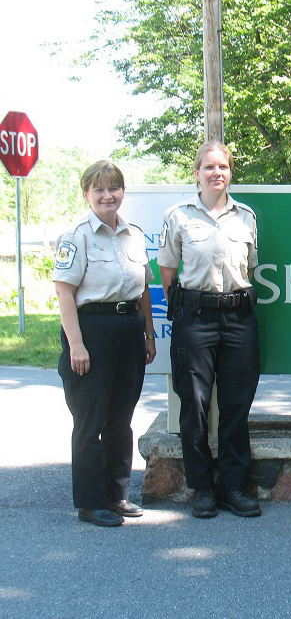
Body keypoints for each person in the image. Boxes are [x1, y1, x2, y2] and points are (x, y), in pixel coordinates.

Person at [158, 141, 262, 518]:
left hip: (238, 318)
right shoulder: (179, 216)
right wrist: (187, 307)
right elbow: (168, 270)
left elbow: (248, 267)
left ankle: (234, 487)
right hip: (195, 318)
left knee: (236, 405)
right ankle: (202, 488)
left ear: (230, 172)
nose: (217, 173)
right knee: (195, 405)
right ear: (197, 172)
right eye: (209, 167)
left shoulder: (246, 217)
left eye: (223, 167)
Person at [53, 161, 156, 527]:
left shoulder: (134, 235)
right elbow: (65, 294)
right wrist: (76, 344)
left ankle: (116, 494)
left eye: (113, 188)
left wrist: (148, 333)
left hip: (129, 327)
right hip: (91, 330)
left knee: (120, 419)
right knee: (89, 419)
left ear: (122, 192)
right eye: (98, 189)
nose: (107, 195)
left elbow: (143, 287)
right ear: (86, 194)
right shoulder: (76, 236)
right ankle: (90, 501)